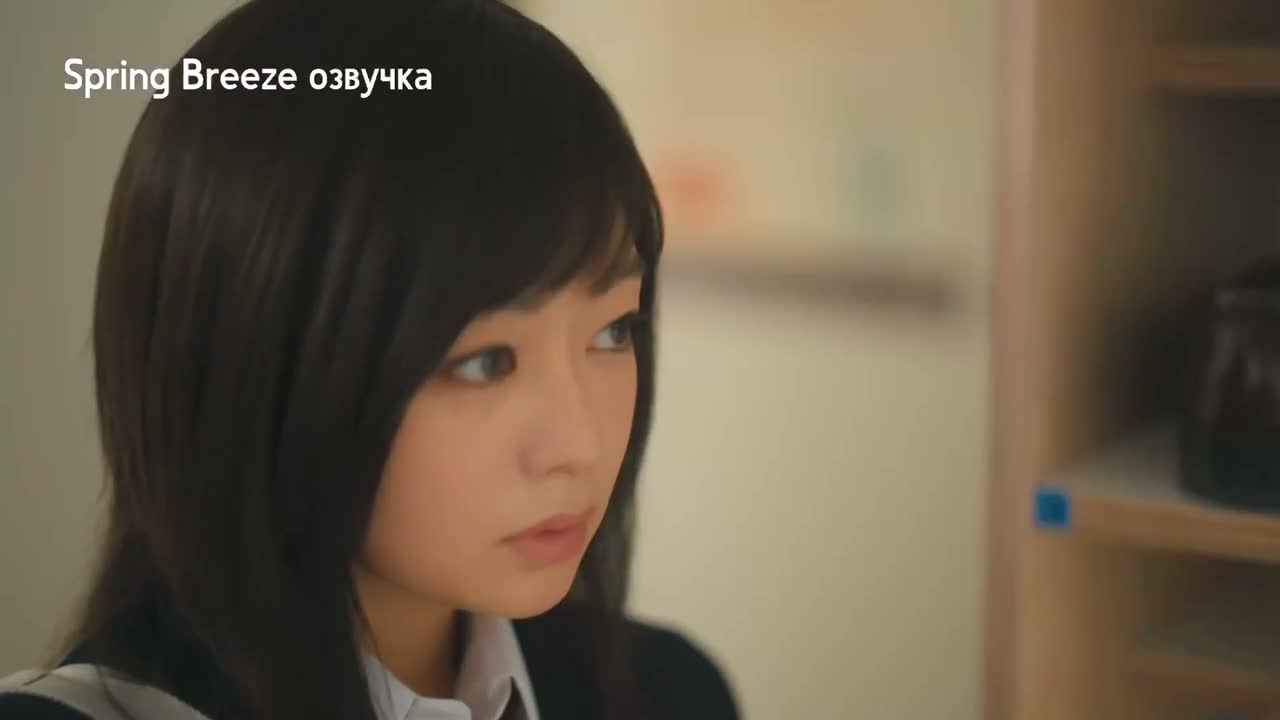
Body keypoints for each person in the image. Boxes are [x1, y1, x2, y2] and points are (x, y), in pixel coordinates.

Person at [0, 1, 738, 718]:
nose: (579, 445)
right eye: (486, 362)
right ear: (259, 351)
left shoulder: (666, 692)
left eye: (613, 332)